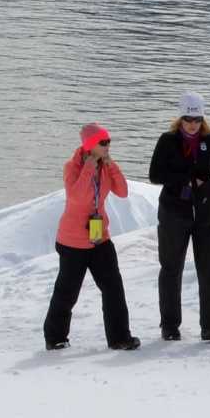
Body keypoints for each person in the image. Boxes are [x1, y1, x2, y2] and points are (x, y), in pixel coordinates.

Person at [147, 91, 210, 341]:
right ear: (180, 118)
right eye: (188, 119)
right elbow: (155, 175)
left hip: (206, 210)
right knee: (171, 268)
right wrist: (186, 180)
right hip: (174, 211)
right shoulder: (168, 140)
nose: (192, 124)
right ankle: (170, 326)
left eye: (197, 119)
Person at [43, 125, 141, 352]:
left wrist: (111, 165)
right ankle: (55, 338)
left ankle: (120, 338)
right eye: (103, 142)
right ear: (89, 145)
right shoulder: (72, 167)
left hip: (99, 238)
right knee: (67, 292)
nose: (108, 146)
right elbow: (78, 198)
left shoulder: (105, 166)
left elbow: (123, 192)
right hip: (73, 241)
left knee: (113, 288)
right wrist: (88, 168)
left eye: (109, 141)